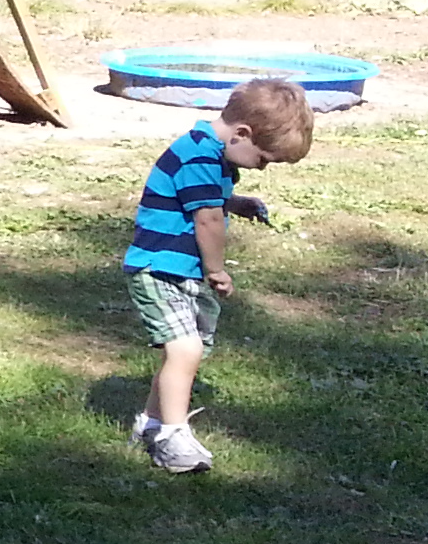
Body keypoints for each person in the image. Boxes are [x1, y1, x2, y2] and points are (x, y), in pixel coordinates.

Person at [122, 76, 312, 473]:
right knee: (185, 348)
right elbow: (207, 218)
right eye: (263, 159)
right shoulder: (201, 158)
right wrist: (217, 270)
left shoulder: (208, 153)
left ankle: (152, 424)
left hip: (178, 268)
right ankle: (172, 437)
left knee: (185, 351)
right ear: (242, 133)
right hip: (161, 267)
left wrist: (236, 202)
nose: (262, 168)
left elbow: (209, 197)